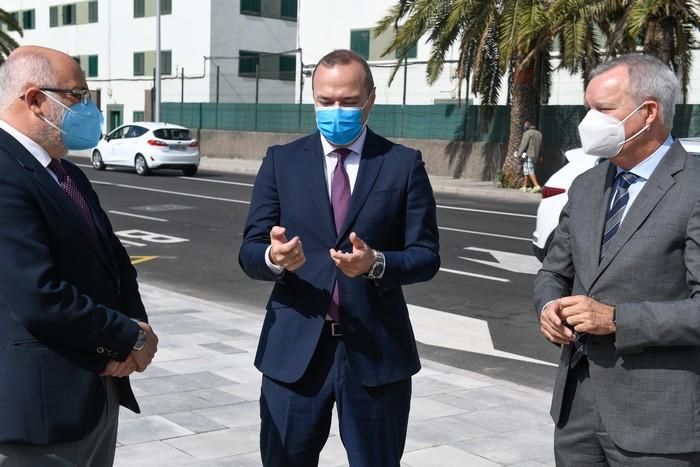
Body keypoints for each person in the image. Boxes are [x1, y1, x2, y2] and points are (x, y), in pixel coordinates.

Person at [239, 49, 440, 467]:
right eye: (326, 101)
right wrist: (274, 257)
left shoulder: (402, 165)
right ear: (312, 98)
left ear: (370, 99)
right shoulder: (282, 161)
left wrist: (376, 264)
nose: (336, 110)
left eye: (348, 101)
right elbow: (249, 250)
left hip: (376, 354)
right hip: (294, 353)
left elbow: (426, 255)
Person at [534, 53, 700, 466]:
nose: (589, 121)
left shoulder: (694, 187)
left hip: (658, 422)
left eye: (603, 110)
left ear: (648, 113)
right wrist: (548, 306)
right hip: (578, 412)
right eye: (588, 108)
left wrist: (616, 320)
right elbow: (554, 271)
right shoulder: (587, 185)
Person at [0, 46, 158, 466]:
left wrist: (132, 331)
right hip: (39, 413)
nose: (89, 109)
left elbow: (116, 263)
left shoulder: (65, 172)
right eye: (77, 96)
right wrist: (129, 337)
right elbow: (38, 295)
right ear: (34, 99)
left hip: (97, 391)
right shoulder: (4, 171)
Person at [518, 120, 542, 193]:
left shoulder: (527, 133)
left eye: (524, 127)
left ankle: (536, 185)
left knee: (530, 170)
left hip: (529, 155)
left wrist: (519, 154)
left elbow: (524, 144)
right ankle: (524, 186)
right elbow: (541, 146)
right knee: (526, 170)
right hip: (536, 155)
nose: (524, 128)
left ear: (527, 127)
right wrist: (541, 155)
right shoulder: (539, 133)